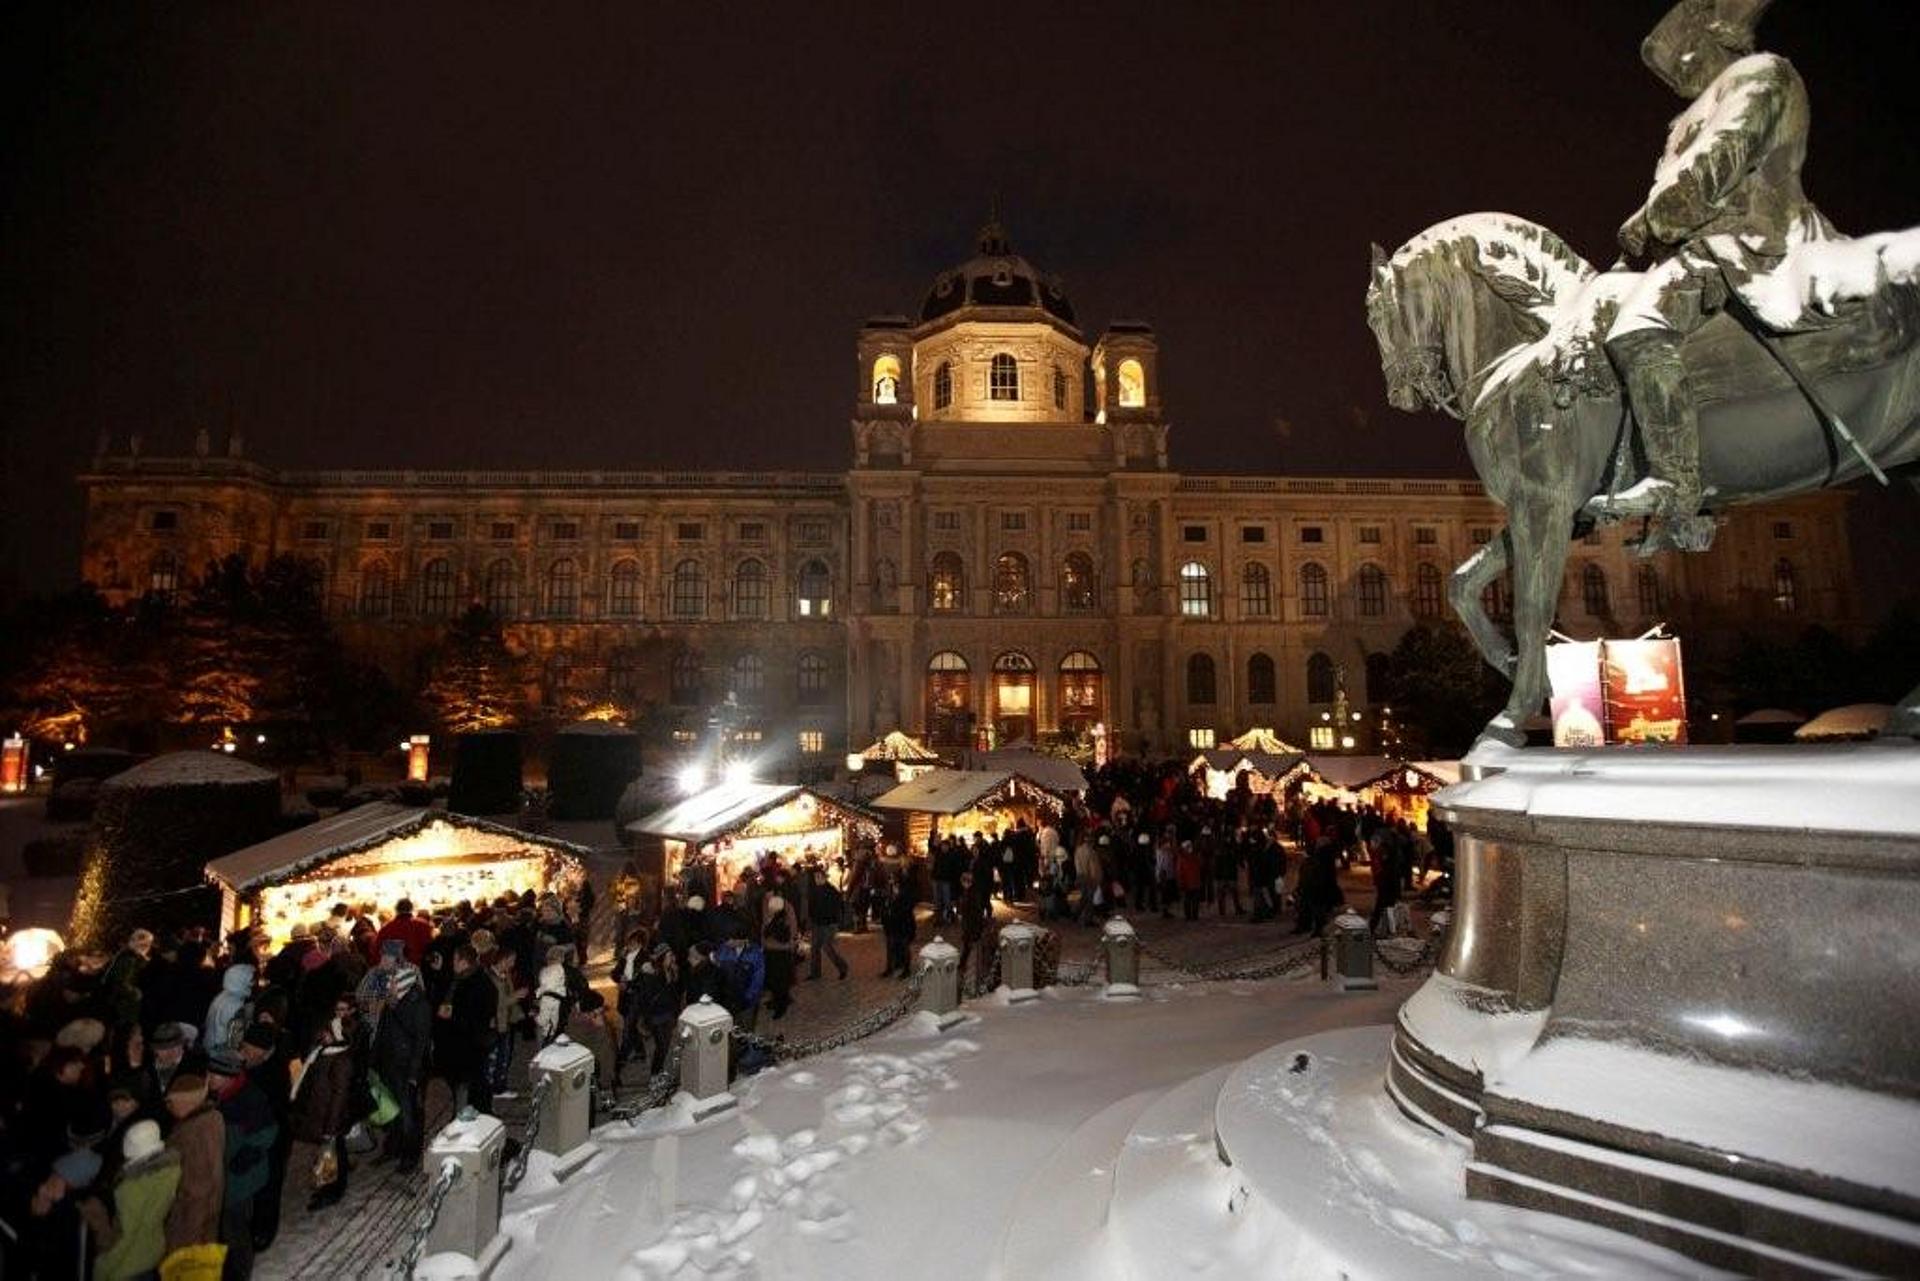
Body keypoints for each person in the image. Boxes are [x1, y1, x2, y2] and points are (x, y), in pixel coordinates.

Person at [1596, 0, 1832, 553]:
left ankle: (1678, 488)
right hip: (1702, 247)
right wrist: (1645, 226)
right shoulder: (1691, 114)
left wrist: (1653, 220)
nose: (1680, 76)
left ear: (1718, 38)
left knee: (1639, 329)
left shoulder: (1760, 76)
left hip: (1754, 239)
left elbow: (1717, 167)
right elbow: (1672, 193)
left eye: (1685, 60)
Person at [207, 1047, 276, 1280]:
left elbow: (267, 1131)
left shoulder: (249, 1097)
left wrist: (246, 1156)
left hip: (240, 1180)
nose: (209, 1079)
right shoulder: (217, 1096)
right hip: (223, 1175)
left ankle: (240, 1272)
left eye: (214, 1075)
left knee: (235, 1228)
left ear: (228, 1076)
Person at [83, 1118, 181, 1281]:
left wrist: (103, 1268)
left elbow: (125, 1237)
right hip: (154, 1252)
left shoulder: (131, 1188)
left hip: (128, 1266)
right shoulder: (170, 1171)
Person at [371, 951, 430, 1169]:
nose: (389, 986)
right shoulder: (391, 1002)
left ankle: (409, 1155)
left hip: (406, 1067)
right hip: (389, 1063)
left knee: (409, 1114)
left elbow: (421, 1042)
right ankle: (392, 1147)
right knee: (391, 1110)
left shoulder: (418, 1005)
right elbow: (382, 1032)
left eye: (393, 983)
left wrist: (414, 1073)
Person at [162, 1071, 226, 1256]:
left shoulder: (192, 1133)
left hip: (189, 1228)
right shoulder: (213, 1118)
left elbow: (197, 1191)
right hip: (205, 1222)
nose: (169, 1107)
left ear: (187, 1102)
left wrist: (188, 1239)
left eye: (172, 1102)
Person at [436, 944, 498, 1115]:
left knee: (470, 1083)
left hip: (469, 1043)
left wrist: (451, 1015)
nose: (452, 963)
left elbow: (475, 1014)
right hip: (463, 1043)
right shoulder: (463, 978)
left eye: (455, 960)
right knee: (468, 1082)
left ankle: (469, 1117)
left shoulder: (476, 983)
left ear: (463, 961)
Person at [805, 869, 850, 981]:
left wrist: (833, 919)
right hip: (817, 923)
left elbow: (836, 907)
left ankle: (842, 967)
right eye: (816, 877)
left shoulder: (831, 891)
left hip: (828, 924)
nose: (817, 879)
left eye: (819, 877)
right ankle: (815, 973)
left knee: (828, 947)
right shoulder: (814, 890)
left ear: (824, 878)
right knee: (814, 948)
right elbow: (811, 906)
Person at [759, 893, 798, 1020]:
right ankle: (777, 1001)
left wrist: (768, 938)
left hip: (779, 953)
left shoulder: (782, 918)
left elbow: (786, 936)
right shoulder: (774, 916)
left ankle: (781, 1006)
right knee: (774, 979)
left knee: (780, 980)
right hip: (772, 952)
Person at [374, 897, 434, 965]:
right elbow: (431, 948)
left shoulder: (386, 928)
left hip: (395, 970)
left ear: (396, 909)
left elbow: (377, 951)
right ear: (412, 909)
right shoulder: (423, 925)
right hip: (419, 967)